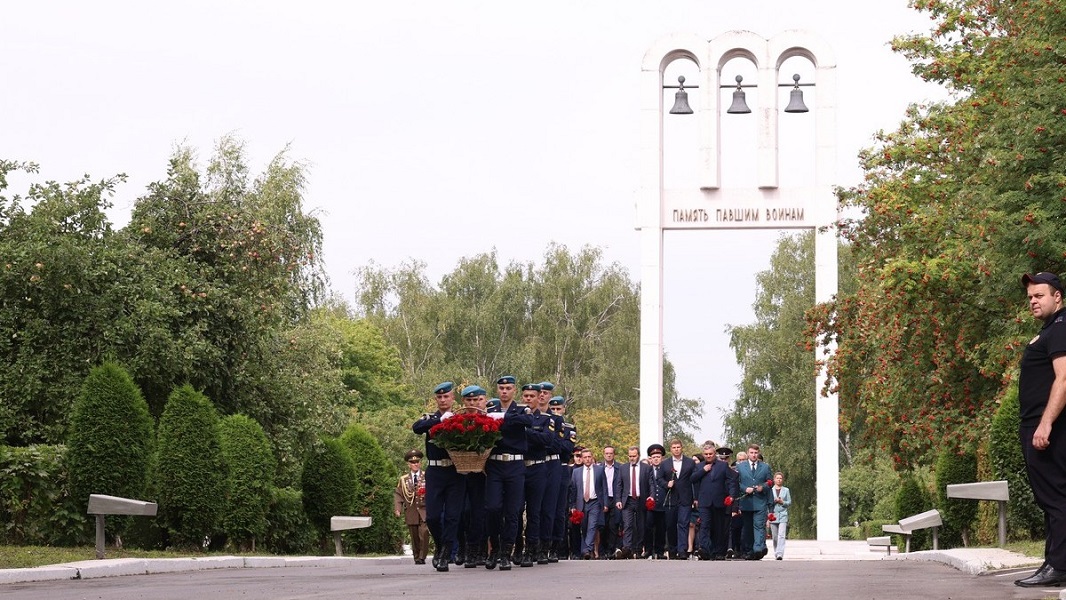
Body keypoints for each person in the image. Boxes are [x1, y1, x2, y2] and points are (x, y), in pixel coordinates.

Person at [1015, 272, 1066, 587]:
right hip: (1039, 426)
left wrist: (1045, 423)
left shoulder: (1060, 328)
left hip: (1049, 428)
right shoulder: (1051, 329)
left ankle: (1058, 567)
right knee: (1051, 498)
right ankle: (1054, 561)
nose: (1033, 301)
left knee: (1056, 497)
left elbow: (1064, 379)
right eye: (1031, 297)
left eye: (1040, 295)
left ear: (1057, 296)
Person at [412, 382, 467, 572]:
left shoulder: (460, 417)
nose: (443, 400)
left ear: (453, 399)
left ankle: (445, 553)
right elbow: (417, 428)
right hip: (435, 471)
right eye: (439, 397)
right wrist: (440, 420)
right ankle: (441, 544)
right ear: (436, 399)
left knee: (453, 516)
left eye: (446, 397)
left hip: (455, 470)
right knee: (433, 516)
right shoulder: (431, 418)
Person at [483, 375, 534, 571]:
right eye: (501, 388)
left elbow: (527, 421)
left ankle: (506, 552)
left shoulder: (521, 409)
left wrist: (503, 417)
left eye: (508, 388)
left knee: (513, 512)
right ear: (497, 390)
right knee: (493, 508)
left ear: (514, 391)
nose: (504, 391)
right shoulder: (489, 410)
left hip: (515, 466)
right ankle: (494, 548)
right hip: (495, 465)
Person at [519, 383, 553, 567]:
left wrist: (526, 432)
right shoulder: (515, 416)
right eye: (526, 396)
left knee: (535, 511)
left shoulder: (546, 418)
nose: (529, 399)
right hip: (518, 468)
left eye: (532, 396)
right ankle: (517, 547)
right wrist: (533, 435)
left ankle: (532, 549)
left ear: (538, 396)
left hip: (537, 468)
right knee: (515, 510)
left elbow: (548, 439)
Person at [458, 385, 489, 568]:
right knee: (462, 513)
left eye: (476, 400)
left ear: (482, 400)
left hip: (482, 474)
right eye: (469, 400)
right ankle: (464, 548)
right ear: (464, 401)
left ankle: (479, 550)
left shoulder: (489, 419)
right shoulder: (457, 420)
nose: (473, 403)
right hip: (461, 474)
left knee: (480, 513)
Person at [691, 442, 739, 561]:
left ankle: (718, 552)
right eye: (706, 454)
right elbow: (692, 479)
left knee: (719, 528)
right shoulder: (699, 466)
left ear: (714, 454)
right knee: (705, 525)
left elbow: (733, 480)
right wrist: (703, 470)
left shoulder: (722, 466)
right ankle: (705, 550)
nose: (708, 456)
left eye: (710, 454)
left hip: (719, 501)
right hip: (704, 501)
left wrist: (732, 496)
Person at [547, 394, 576, 562]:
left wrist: (551, 441)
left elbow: (566, 449)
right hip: (547, 466)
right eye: (553, 409)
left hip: (562, 468)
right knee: (546, 509)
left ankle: (557, 547)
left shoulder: (569, 427)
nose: (556, 412)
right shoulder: (546, 423)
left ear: (564, 409)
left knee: (560, 511)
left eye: (559, 409)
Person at [569, 447, 607, 559]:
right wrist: (573, 506)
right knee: (584, 527)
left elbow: (604, 487)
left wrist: (605, 503)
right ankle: (587, 551)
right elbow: (573, 490)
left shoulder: (599, 470)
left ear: (592, 457)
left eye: (589, 457)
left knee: (592, 525)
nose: (587, 459)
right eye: (585, 457)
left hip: (595, 502)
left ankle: (586, 550)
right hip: (582, 503)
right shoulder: (576, 472)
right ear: (582, 458)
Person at [737, 444, 773, 560]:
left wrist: (763, 486)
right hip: (746, 501)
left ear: (758, 453)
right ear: (748, 453)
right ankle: (749, 550)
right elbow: (736, 483)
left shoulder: (765, 467)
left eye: (755, 453)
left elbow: (770, 482)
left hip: (760, 501)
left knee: (759, 526)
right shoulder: (741, 467)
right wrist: (744, 489)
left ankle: (758, 549)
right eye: (751, 453)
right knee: (747, 527)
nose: (753, 455)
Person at [661, 439, 696, 559]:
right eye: (674, 447)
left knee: (683, 524)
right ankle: (672, 549)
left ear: (682, 448)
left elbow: (694, 480)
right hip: (670, 499)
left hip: (685, 498)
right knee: (670, 525)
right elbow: (659, 479)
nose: (676, 449)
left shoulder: (690, 462)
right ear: (670, 449)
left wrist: (694, 498)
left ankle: (682, 550)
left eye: (678, 447)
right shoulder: (665, 463)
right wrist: (666, 484)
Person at [394, 449, 430, 564]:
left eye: (418, 462)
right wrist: (398, 508)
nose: (416, 464)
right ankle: (416, 557)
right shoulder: (403, 479)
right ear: (408, 464)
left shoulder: (427, 476)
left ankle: (422, 557)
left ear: (420, 463)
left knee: (424, 533)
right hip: (411, 511)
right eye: (413, 462)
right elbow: (398, 494)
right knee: (414, 536)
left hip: (424, 510)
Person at [617, 445, 650, 559]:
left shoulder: (646, 468)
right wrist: (618, 500)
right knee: (627, 524)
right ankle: (627, 548)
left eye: (634, 456)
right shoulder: (623, 468)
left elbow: (651, 484)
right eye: (630, 456)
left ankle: (639, 548)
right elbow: (619, 485)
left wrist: (650, 497)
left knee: (641, 525)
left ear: (638, 456)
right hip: (628, 500)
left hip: (641, 499)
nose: (631, 458)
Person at [643, 443, 669, 559]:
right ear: (650, 459)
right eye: (654, 457)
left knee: (661, 529)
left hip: (662, 503)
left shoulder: (666, 470)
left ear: (662, 458)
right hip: (650, 504)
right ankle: (648, 550)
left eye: (658, 457)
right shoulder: (647, 470)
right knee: (648, 527)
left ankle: (659, 551)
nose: (656, 459)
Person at [599, 445, 623, 560]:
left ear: (614, 455)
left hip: (615, 499)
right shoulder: (598, 468)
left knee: (614, 526)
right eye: (607, 453)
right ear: (604, 454)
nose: (609, 455)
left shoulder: (620, 468)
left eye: (611, 453)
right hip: (603, 499)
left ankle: (611, 550)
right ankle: (602, 550)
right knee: (603, 526)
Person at [769, 471, 791, 560]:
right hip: (773, 515)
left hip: (783, 514)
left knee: (781, 535)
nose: (779, 480)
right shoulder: (770, 490)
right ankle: (776, 551)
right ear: (774, 479)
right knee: (774, 536)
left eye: (780, 478)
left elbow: (789, 502)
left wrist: (783, 502)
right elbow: (768, 503)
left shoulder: (786, 490)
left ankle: (780, 553)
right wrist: (774, 501)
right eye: (777, 478)